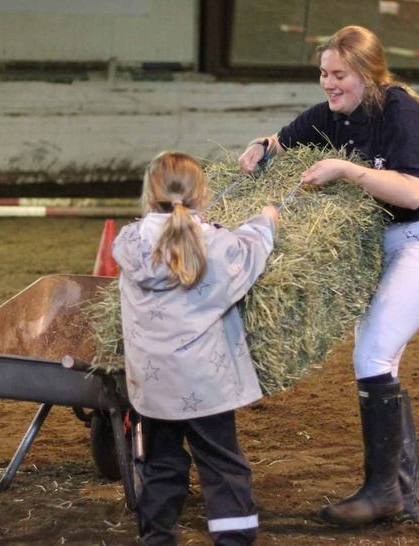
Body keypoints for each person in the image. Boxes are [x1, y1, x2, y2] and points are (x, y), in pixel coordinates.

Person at [238, 25, 419, 527]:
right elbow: (282, 140)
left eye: (339, 74)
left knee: (372, 354)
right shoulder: (334, 115)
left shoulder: (400, 110)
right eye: (323, 73)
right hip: (389, 241)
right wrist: (261, 147)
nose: (328, 83)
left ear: (366, 74)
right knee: (379, 357)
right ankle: (401, 494)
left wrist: (345, 169)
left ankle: (385, 493)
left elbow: (409, 192)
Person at [113, 151, 280, 545]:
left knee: (160, 464)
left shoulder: (130, 242)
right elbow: (252, 253)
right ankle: (233, 539)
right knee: (223, 467)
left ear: (148, 193)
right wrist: (265, 221)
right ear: (202, 195)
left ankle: (157, 537)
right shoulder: (218, 244)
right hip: (207, 384)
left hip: (154, 387)